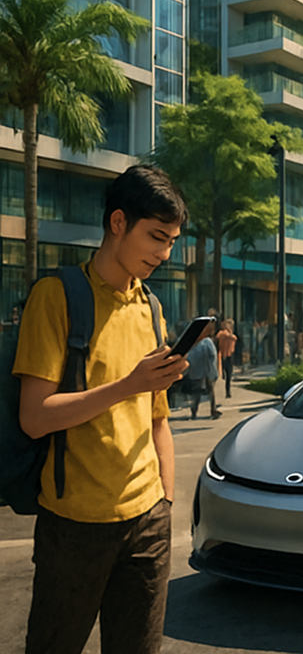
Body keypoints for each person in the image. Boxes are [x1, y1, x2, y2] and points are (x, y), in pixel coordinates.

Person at [14, 165, 189, 654]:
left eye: (172, 241)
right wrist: (128, 384)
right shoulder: (58, 296)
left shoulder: (151, 308)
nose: (164, 253)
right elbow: (35, 415)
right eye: (156, 237)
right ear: (117, 223)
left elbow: (159, 420)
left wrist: (165, 503)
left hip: (147, 521)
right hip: (74, 525)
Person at [182, 323, 221, 421]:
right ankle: (194, 411)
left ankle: (213, 410)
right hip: (199, 371)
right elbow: (190, 357)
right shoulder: (195, 344)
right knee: (198, 392)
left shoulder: (206, 342)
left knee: (210, 391)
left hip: (207, 371)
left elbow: (213, 356)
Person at [215, 319, 237, 398]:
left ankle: (228, 391)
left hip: (230, 355)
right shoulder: (223, 333)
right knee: (224, 372)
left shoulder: (232, 335)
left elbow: (234, 338)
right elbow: (219, 336)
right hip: (224, 354)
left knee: (229, 374)